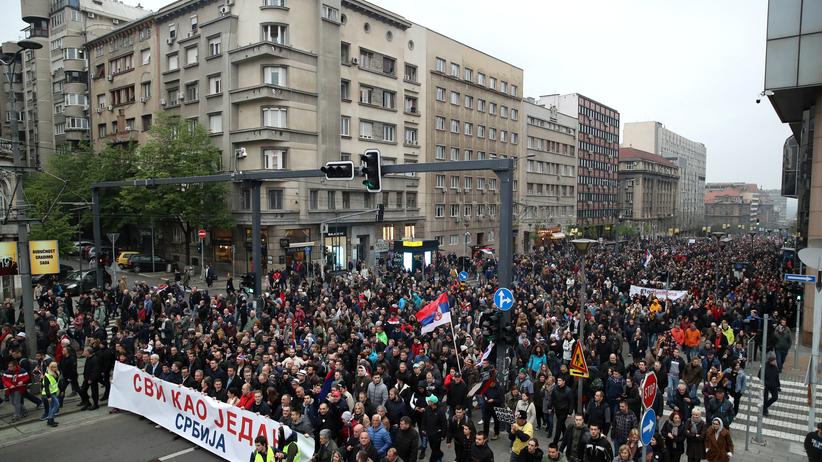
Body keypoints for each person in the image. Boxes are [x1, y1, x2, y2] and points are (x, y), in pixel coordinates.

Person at [422, 394, 447, 462]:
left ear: (433, 402)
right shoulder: (427, 409)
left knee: (435, 449)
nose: (428, 402)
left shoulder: (440, 411)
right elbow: (424, 419)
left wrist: (443, 435)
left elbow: (444, 424)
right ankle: (440, 455)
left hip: (437, 434)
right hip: (429, 433)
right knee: (433, 448)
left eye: (429, 401)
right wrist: (423, 428)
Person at [78, 346, 100, 410]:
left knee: (94, 392)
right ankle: (87, 403)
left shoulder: (94, 359)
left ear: (88, 352)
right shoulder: (88, 358)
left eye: (85, 351)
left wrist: (91, 379)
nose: (83, 352)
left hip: (92, 379)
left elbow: (95, 370)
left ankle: (95, 404)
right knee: (83, 390)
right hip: (87, 378)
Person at [40, 361, 60, 427]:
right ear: (50, 368)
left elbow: (56, 383)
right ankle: (50, 418)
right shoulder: (47, 376)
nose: (55, 368)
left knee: (51, 407)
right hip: (48, 393)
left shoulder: (56, 373)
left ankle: (50, 421)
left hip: (53, 392)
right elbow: (46, 387)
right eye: (53, 367)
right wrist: (49, 397)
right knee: (56, 405)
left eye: (56, 367)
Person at [763, 352, 781, 417]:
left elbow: (777, 377)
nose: (775, 362)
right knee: (765, 398)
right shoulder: (765, 367)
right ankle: (764, 410)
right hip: (766, 386)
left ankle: (764, 406)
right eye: (774, 361)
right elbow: (760, 375)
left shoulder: (775, 367)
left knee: (775, 397)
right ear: (770, 361)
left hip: (773, 385)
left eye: (775, 360)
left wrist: (778, 386)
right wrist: (765, 383)